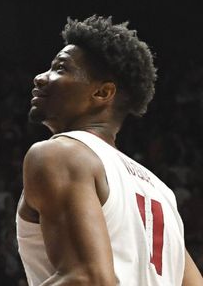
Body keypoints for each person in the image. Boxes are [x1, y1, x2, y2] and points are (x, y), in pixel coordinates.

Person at [16, 15, 203, 285]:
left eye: (61, 68)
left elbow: (88, 279)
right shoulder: (161, 192)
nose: (41, 77)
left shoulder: (60, 154)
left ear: (103, 93)